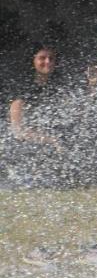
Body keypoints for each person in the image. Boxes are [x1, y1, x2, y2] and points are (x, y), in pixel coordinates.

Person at [4, 44, 71, 186]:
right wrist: (52, 140)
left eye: (51, 58)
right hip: (19, 145)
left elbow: (74, 116)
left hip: (43, 143)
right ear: (32, 60)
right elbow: (17, 131)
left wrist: (93, 84)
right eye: (42, 58)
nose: (47, 62)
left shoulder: (58, 86)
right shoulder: (22, 88)